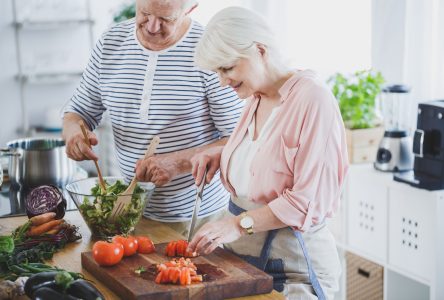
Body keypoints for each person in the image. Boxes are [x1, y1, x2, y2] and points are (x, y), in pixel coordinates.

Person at [187, 6, 349, 299]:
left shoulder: (313, 100)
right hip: (246, 261)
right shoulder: (256, 96)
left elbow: (305, 201)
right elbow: (266, 158)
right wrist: (223, 155)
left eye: (228, 68)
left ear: (260, 50)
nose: (223, 82)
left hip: (294, 267)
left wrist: (237, 224)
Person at [62, 0, 243, 236]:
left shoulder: (210, 52)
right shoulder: (111, 42)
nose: (152, 27)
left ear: (190, 8)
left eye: (166, 19)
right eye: (145, 13)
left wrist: (179, 162)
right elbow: (77, 112)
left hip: (197, 219)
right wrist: (74, 132)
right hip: (130, 213)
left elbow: (240, 139)